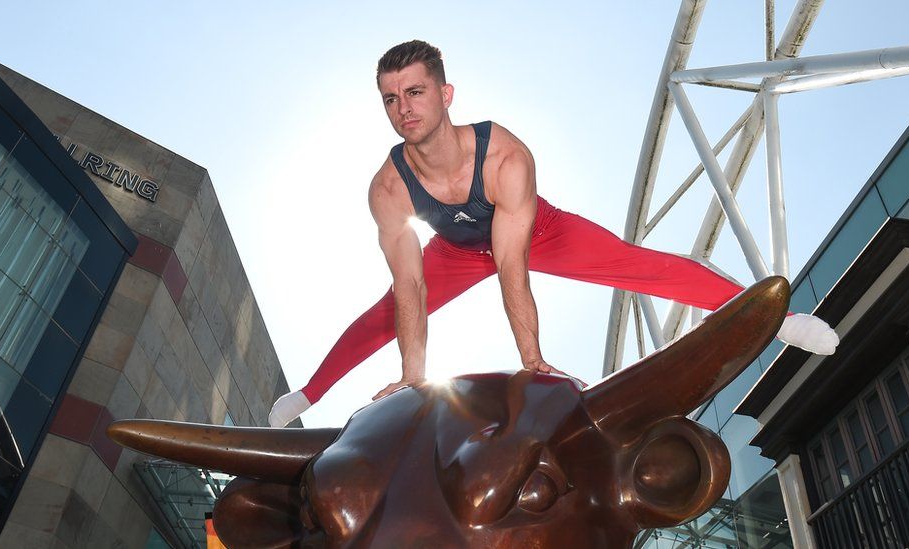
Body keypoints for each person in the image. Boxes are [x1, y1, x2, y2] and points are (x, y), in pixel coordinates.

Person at [268, 40, 838, 428]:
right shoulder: (388, 188)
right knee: (386, 309)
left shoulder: (505, 156)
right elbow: (411, 289)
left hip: (540, 232)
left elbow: (512, 268)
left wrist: (533, 359)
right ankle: (309, 393)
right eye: (390, 99)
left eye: (415, 92)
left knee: (641, 266)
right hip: (460, 251)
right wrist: (413, 377)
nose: (403, 109)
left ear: (445, 94)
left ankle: (781, 319)